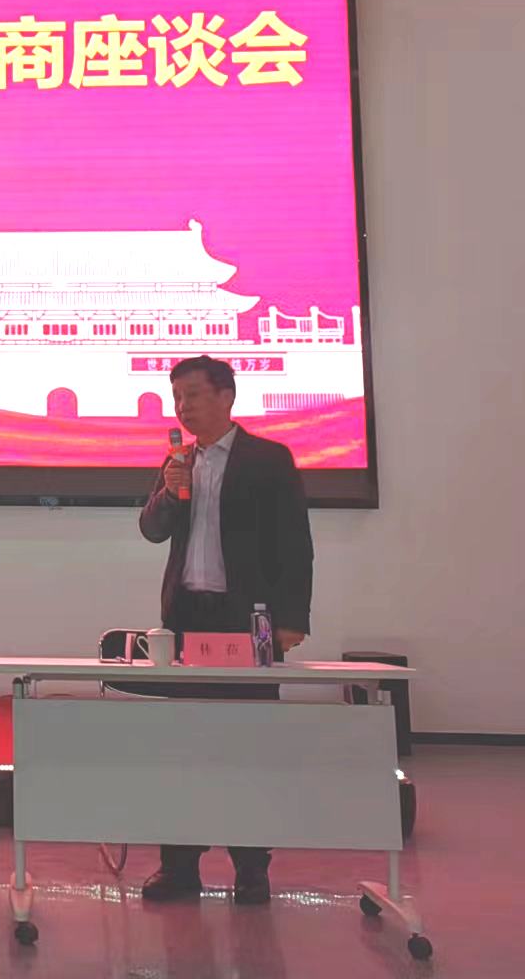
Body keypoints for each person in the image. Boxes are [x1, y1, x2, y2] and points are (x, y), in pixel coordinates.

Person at [136, 355, 314, 906]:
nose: (182, 406)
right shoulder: (178, 461)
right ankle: (180, 866)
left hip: (248, 621)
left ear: (226, 396)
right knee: (183, 746)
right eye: (176, 397)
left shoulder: (268, 459)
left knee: (248, 745)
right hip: (188, 619)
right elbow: (151, 530)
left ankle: (251, 868)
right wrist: (170, 492)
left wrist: (291, 619)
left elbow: (295, 544)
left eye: (192, 394)